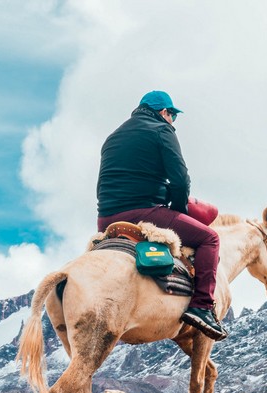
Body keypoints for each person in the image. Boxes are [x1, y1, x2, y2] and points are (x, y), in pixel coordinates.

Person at [96, 90, 227, 341]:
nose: (173, 120)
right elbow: (180, 179)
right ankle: (201, 307)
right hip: (142, 212)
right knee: (209, 238)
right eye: (173, 115)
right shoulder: (162, 130)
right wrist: (179, 210)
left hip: (105, 219)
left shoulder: (112, 137)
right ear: (164, 112)